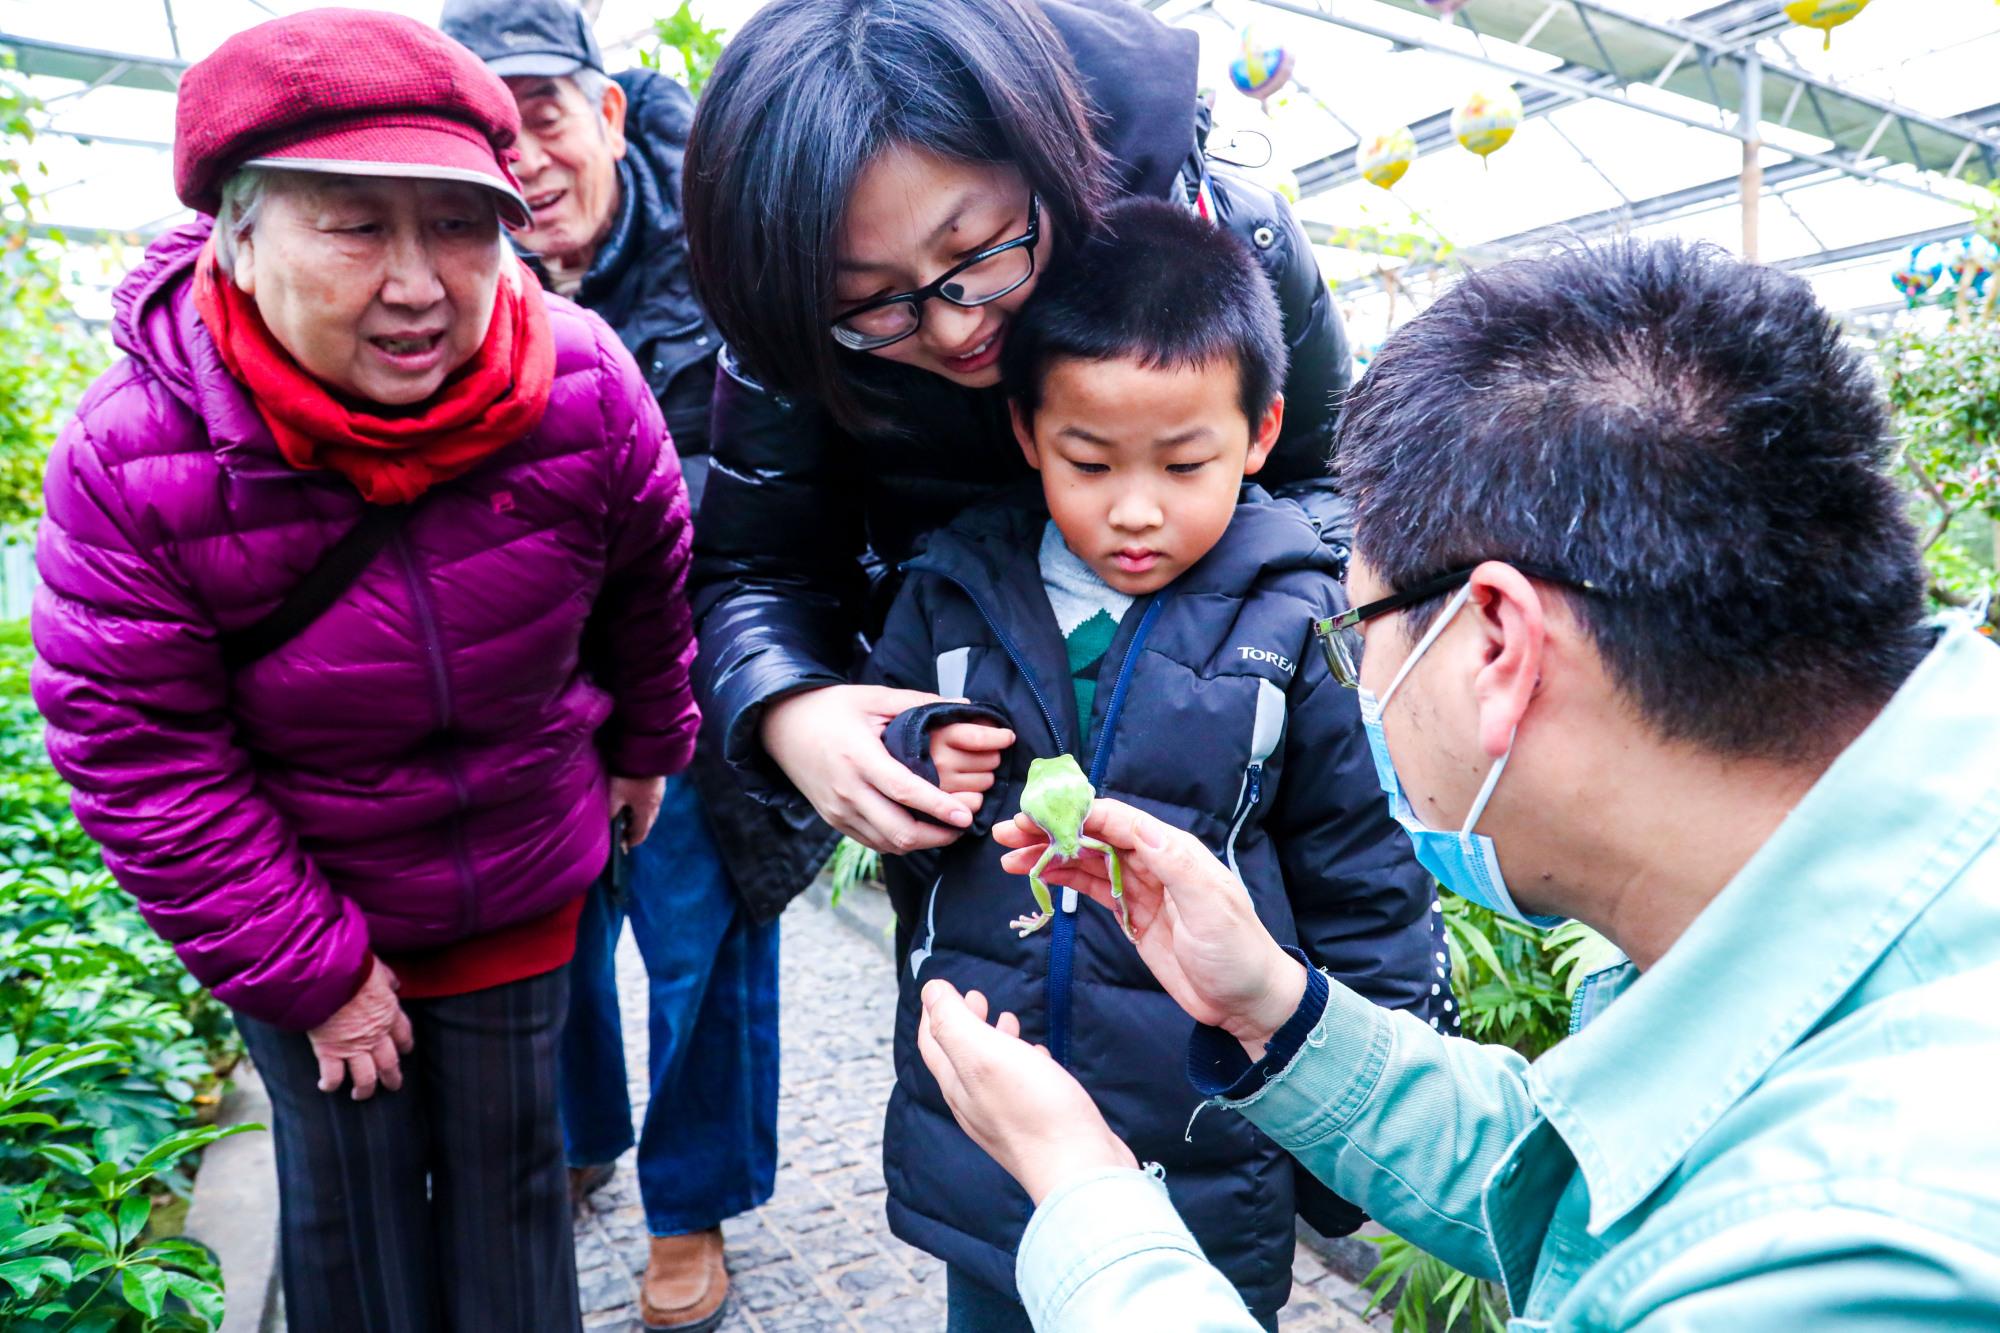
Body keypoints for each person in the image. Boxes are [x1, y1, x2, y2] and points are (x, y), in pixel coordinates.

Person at [918, 239, 2000, 1329]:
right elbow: (1568, 1176)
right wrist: (1276, 1007)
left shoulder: (1859, 1250)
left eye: (1360, 631)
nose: (1356, 676)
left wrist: (1082, 1193)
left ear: (1495, 643)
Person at [30, 12, 698, 1331]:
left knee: (517, 1197)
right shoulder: (136, 455)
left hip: (513, 873)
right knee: (354, 1219)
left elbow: (645, 581)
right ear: (235, 229)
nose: (419, 282)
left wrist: (646, 742)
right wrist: (309, 966)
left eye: (458, 225)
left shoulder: (583, 381)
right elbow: (138, 746)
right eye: (354, 224)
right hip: (301, 893)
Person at [858, 198, 1447, 1329]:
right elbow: (881, 793)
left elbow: (1363, 868)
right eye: (1088, 460)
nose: (1134, 511)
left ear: (1261, 432)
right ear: (1027, 434)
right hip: (992, 1117)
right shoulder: (952, 591)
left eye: (1183, 463)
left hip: (1201, 1134)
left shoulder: (1298, 622)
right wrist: (910, 752)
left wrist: (1362, 1122)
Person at [680, 0, 1356, 903]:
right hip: (985, 821)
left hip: (1238, 784)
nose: (958, 327)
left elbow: (1343, 482)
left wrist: (1234, 628)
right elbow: (758, 570)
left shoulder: (1222, 239)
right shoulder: (798, 337)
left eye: (976, 247)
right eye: (875, 299)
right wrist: (790, 710)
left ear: (1045, 152)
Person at [436, 6, 798, 1326]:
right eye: (487, 122)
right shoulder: (448, 271)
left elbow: (770, 470)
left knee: (698, 938)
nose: (521, 153)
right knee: (557, 940)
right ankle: (588, 1131)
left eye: (543, 111)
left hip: (691, 670)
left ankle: (690, 1202)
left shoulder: (720, 253)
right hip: (526, 695)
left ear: (606, 115)